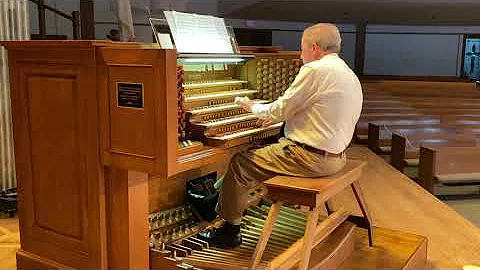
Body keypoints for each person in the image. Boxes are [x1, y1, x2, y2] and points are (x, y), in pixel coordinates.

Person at [198, 23, 363, 248]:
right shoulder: (347, 73)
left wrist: (250, 106)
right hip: (336, 157)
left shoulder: (315, 70)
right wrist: (279, 116)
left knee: (240, 163)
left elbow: (280, 109)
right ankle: (214, 202)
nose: (300, 54)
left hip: (311, 159)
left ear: (314, 47)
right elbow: (318, 112)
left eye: (302, 48)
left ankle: (230, 230)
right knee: (259, 150)